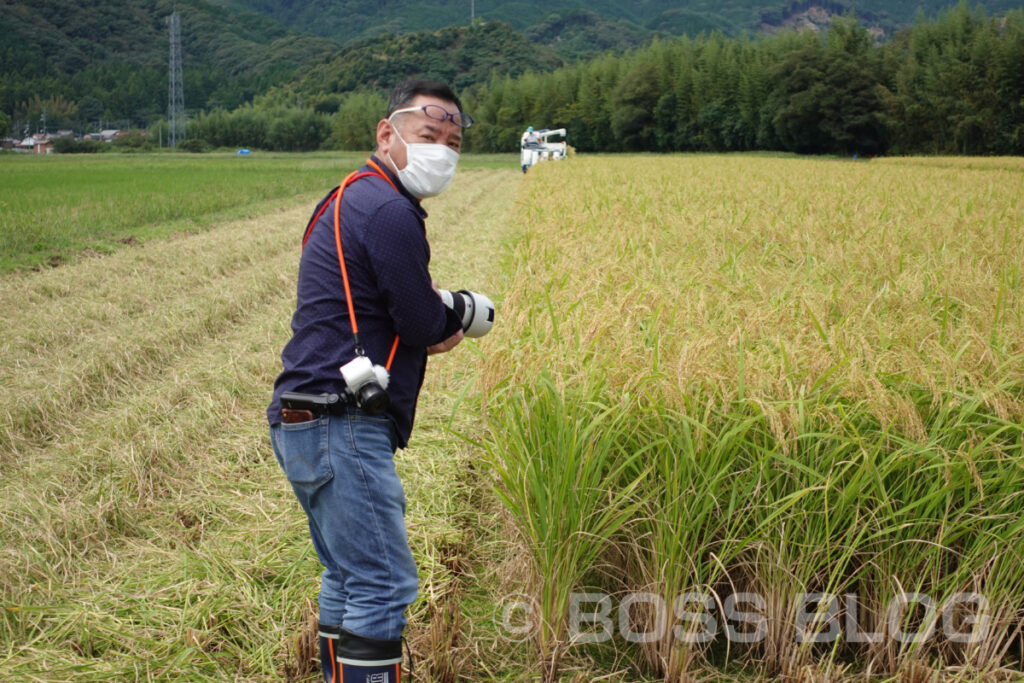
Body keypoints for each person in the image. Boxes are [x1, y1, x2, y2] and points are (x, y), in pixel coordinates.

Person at [267, 79, 472, 683]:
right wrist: (454, 314)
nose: (442, 151)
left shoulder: (345, 198)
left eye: (453, 143)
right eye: (428, 135)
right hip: (342, 420)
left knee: (348, 575)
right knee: (383, 582)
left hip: (302, 418)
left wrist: (429, 315)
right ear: (388, 133)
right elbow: (417, 320)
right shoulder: (387, 208)